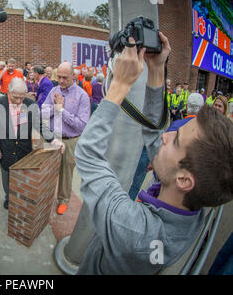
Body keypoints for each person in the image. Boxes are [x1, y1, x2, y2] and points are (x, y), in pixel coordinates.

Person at [75, 32, 233, 275]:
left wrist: (119, 85)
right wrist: (157, 70)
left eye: (175, 140)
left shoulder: (132, 229)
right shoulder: (190, 204)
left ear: (184, 179)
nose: (165, 135)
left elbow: (87, 155)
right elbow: (153, 133)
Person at [0, 78, 65, 209]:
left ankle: (21, 196)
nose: (19, 101)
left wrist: (53, 140)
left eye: (22, 98)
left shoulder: (30, 104)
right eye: (15, 97)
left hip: (24, 149)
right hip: (5, 149)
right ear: (7, 92)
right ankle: (8, 198)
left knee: (23, 175)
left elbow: (39, 125)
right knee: (7, 175)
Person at [41, 62, 91, 215]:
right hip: (52, 139)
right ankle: (46, 197)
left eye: (65, 78)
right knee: (48, 170)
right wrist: (55, 107)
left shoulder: (81, 96)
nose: (61, 81)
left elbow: (81, 125)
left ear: (73, 77)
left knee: (66, 173)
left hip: (70, 141)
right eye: (59, 77)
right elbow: (42, 112)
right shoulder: (54, 91)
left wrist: (61, 110)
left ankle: (63, 200)